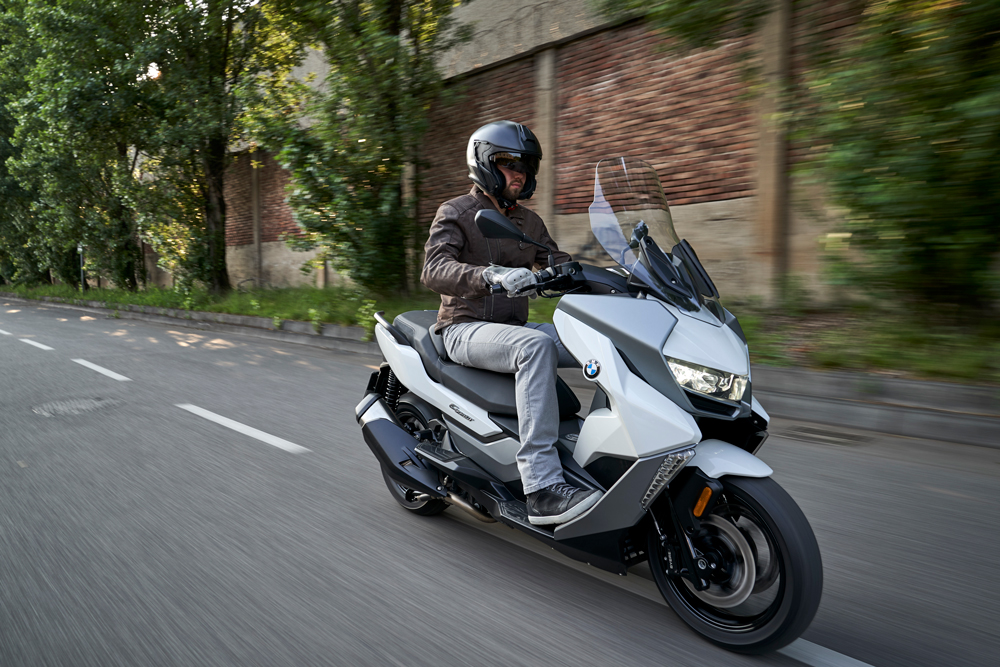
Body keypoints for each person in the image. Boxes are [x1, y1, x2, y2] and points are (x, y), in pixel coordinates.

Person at [420, 120, 602, 526]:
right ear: (484, 164)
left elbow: (555, 261)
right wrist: (488, 275)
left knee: (603, 340)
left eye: (525, 166)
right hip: (463, 328)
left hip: (511, 332)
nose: (519, 174)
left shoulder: (529, 223)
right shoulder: (456, 212)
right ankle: (541, 486)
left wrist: (611, 277)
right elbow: (434, 269)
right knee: (534, 347)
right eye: (508, 164)